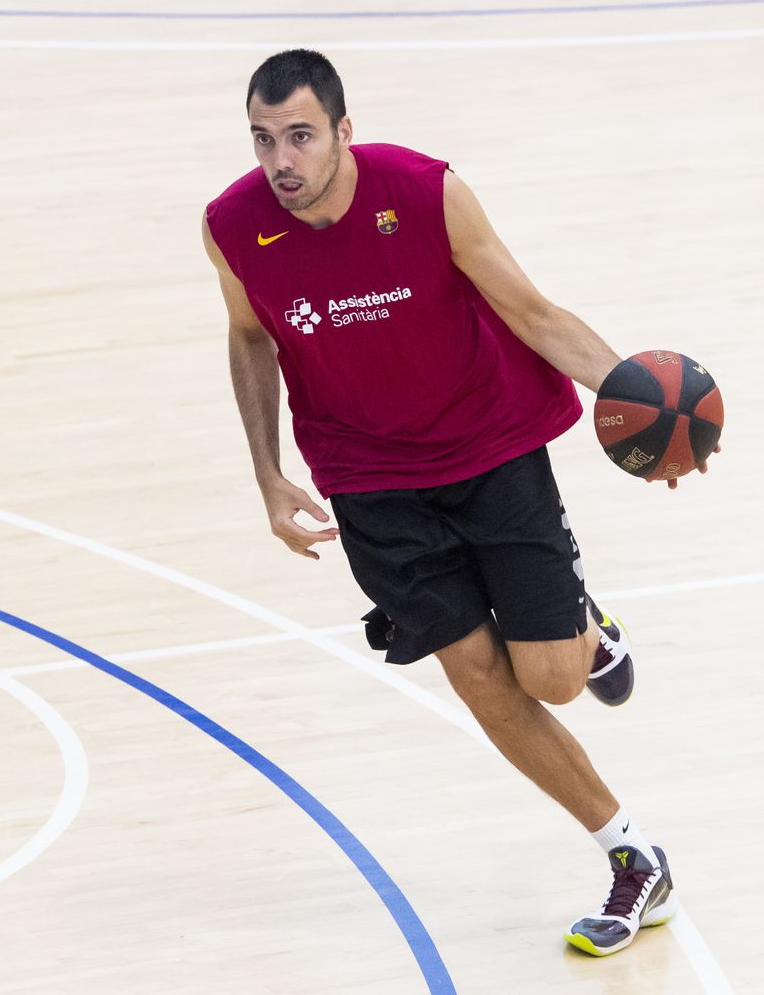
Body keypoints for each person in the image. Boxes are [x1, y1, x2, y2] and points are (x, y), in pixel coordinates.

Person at [202, 48, 713, 957]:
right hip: (369, 481)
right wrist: (267, 472)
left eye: (300, 136)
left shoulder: (425, 192)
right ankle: (634, 854)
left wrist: (644, 407)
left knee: (552, 678)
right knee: (479, 676)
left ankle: (586, 628)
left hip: (491, 448)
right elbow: (248, 336)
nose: (281, 159)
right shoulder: (233, 226)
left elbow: (533, 312)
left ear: (343, 131)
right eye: (263, 139)